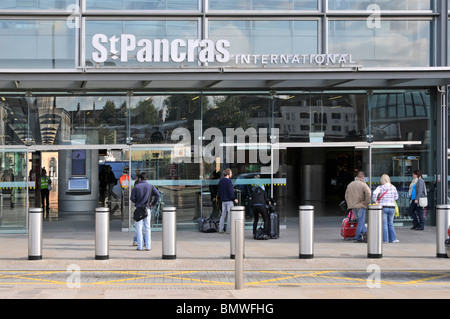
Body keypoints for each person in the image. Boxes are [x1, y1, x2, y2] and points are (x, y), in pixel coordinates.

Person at [130, 173, 160, 251]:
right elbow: (158, 195)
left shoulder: (136, 187)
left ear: (139, 179)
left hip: (138, 209)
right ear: (145, 179)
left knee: (139, 228)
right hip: (147, 209)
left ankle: (139, 247)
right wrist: (152, 204)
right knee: (147, 227)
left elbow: (132, 198)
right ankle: (148, 246)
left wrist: (137, 202)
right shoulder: (151, 186)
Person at [345, 170, 371, 242]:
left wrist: (349, 203)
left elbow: (346, 196)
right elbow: (368, 193)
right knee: (361, 222)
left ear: (356, 177)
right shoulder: (363, 184)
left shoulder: (350, 184)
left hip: (353, 206)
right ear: (363, 177)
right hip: (360, 205)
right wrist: (366, 202)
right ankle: (357, 237)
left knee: (359, 221)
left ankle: (365, 233)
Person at [372, 174, 399, 243]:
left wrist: (375, 200)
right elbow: (396, 197)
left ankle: (385, 239)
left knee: (384, 224)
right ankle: (393, 239)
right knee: (390, 223)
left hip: (383, 207)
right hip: (392, 207)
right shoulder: (393, 187)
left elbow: (374, 193)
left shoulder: (380, 187)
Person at [217, 168, 238, 234]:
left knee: (223, 215)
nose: (231, 174)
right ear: (228, 174)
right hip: (229, 201)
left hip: (223, 201)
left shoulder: (221, 181)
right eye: (231, 173)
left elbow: (219, 192)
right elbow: (231, 191)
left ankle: (220, 229)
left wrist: (221, 198)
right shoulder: (229, 181)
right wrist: (234, 198)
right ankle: (228, 230)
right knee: (229, 215)